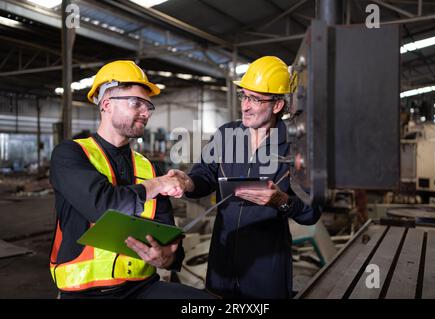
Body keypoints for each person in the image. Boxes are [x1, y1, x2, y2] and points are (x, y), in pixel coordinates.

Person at [49, 60, 213, 299]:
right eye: (136, 103)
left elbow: (168, 234)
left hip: (141, 287)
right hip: (83, 292)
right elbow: (102, 206)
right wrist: (157, 185)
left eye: (148, 106)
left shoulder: (148, 167)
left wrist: (167, 257)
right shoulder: (70, 154)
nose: (146, 113)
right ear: (106, 104)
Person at [171, 56, 321, 298]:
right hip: (222, 257)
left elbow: (312, 212)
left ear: (277, 106)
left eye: (254, 98)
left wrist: (282, 201)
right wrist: (188, 182)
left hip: (267, 265)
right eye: (244, 96)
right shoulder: (226, 134)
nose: (245, 105)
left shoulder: (296, 147)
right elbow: (204, 175)